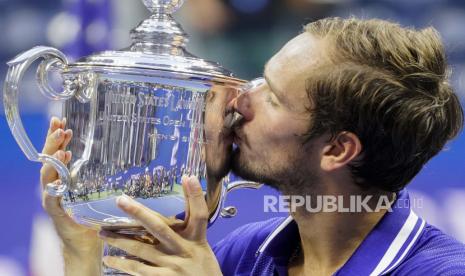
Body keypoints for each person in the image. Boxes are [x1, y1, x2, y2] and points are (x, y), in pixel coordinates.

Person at [40, 17, 465, 275]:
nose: (241, 99)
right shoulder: (246, 252)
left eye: (274, 97)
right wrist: (82, 251)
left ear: (337, 150)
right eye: (260, 78)